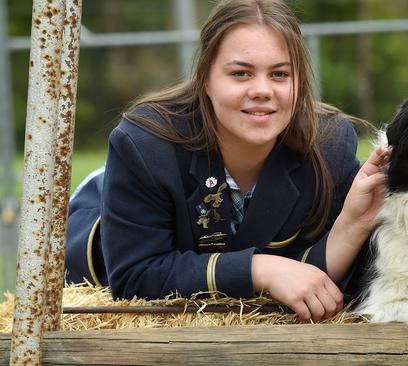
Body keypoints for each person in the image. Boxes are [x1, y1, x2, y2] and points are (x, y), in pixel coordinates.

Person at [65, 0, 389, 322]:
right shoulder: (144, 145)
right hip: (100, 208)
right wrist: (258, 269)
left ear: (299, 81)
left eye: (279, 74)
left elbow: (308, 276)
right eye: (240, 73)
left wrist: (353, 224)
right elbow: (136, 276)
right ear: (205, 78)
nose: (262, 90)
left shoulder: (329, 145)